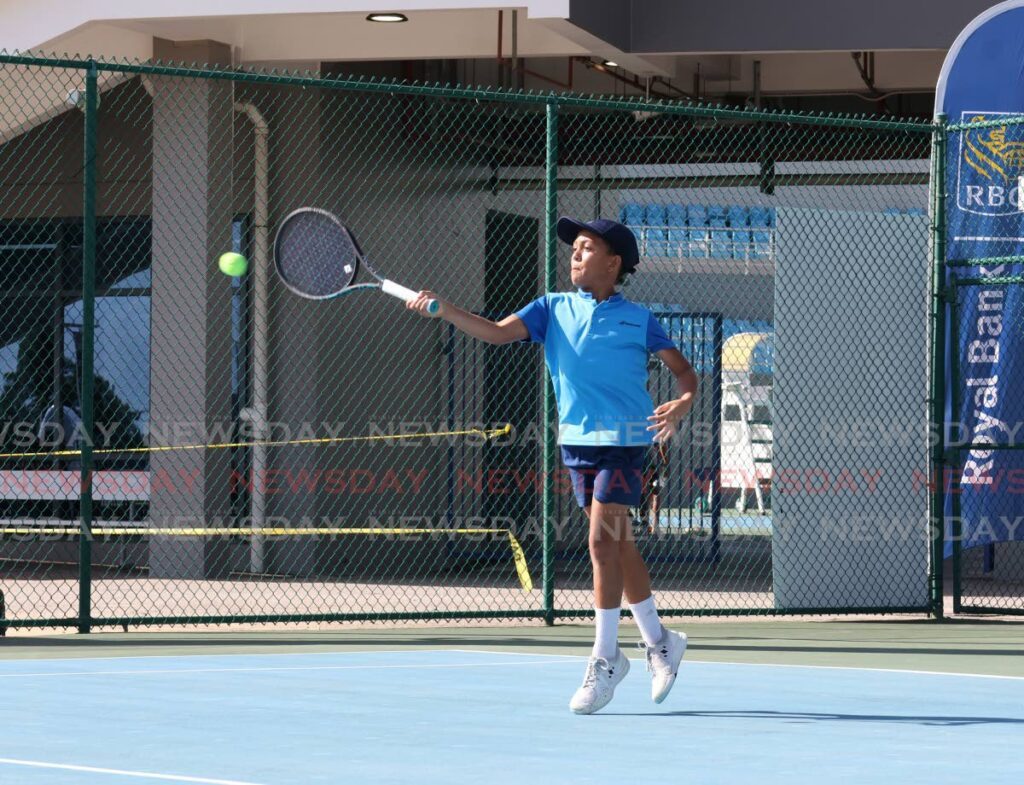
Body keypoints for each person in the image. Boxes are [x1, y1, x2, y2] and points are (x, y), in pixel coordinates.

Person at [407, 216, 698, 715]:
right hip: (576, 443)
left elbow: (685, 373)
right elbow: (497, 333)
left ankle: (605, 658)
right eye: (574, 249)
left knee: (600, 542)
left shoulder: (639, 319)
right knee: (618, 544)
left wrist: (684, 402)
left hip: (627, 441)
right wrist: (447, 310)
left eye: (586, 249)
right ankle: (660, 640)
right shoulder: (551, 309)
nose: (575, 256)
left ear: (615, 263)